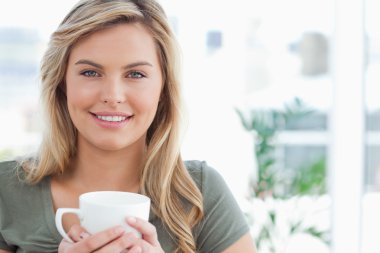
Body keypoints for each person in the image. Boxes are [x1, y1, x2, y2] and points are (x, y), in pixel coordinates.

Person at [0, 0, 257, 252]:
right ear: (62, 83)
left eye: (136, 74)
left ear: (163, 90)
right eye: (90, 72)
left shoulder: (199, 193)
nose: (113, 96)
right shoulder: (6, 191)